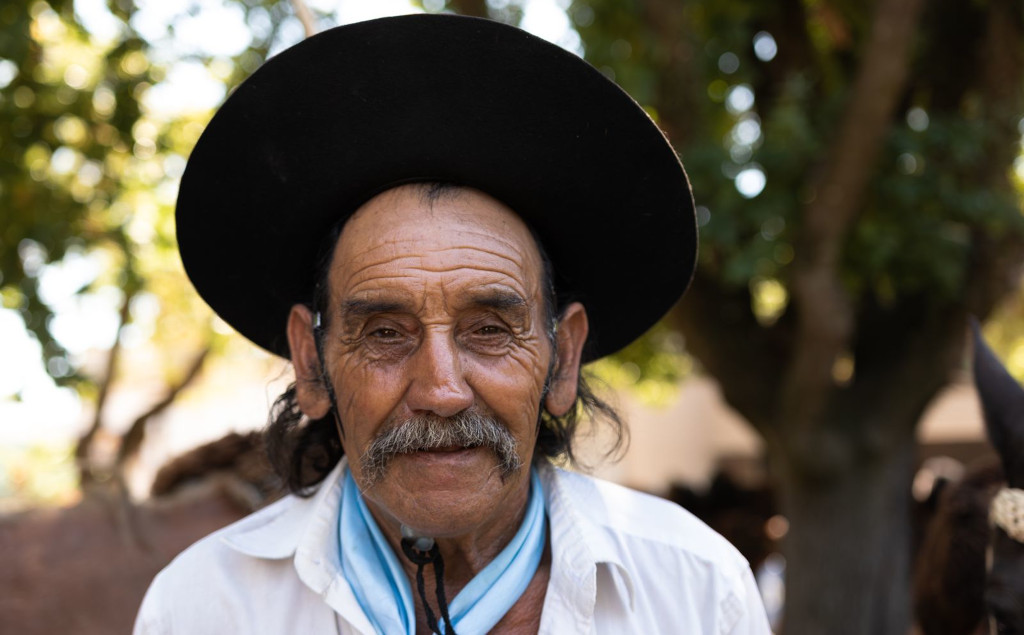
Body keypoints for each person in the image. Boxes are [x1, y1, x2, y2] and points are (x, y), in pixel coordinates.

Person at [134, 13, 772, 635]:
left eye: (490, 329)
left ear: (563, 358)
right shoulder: (200, 608)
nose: (441, 391)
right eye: (385, 333)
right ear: (312, 364)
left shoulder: (694, 591)